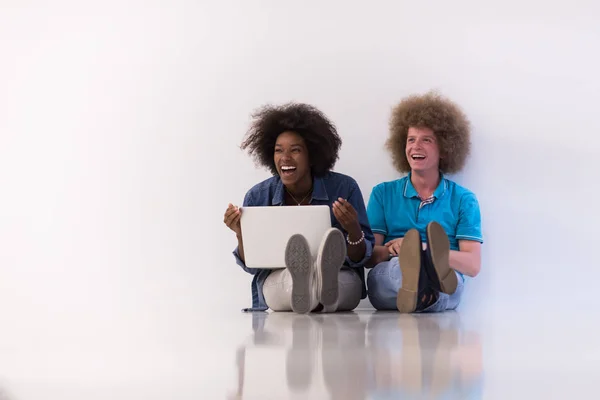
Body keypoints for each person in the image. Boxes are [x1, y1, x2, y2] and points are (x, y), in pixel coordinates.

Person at [224, 102, 375, 314]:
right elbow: (253, 265)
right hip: (282, 277)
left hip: (340, 274)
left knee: (340, 282)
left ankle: (320, 282)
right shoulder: (258, 196)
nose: (285, 158)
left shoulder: (344, 188)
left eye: (295, 150)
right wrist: (242, 234)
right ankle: (313, 287)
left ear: (312, 155)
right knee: (289, 281)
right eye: (278, 151)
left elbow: (361, 257)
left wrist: (353, 229)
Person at [365, 91, 483, 313]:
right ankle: (426, 287)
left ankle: (425, 285)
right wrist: (397, 250)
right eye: (411, 140)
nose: (415, 147)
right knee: (395, 271)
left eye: (426, 140)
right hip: (393, 280)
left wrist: (423, 250)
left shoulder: (464, 200)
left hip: (444, 277)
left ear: (445, 149)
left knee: (449, 280)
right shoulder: (383, 194)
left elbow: (473, 265)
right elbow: (369, 257)